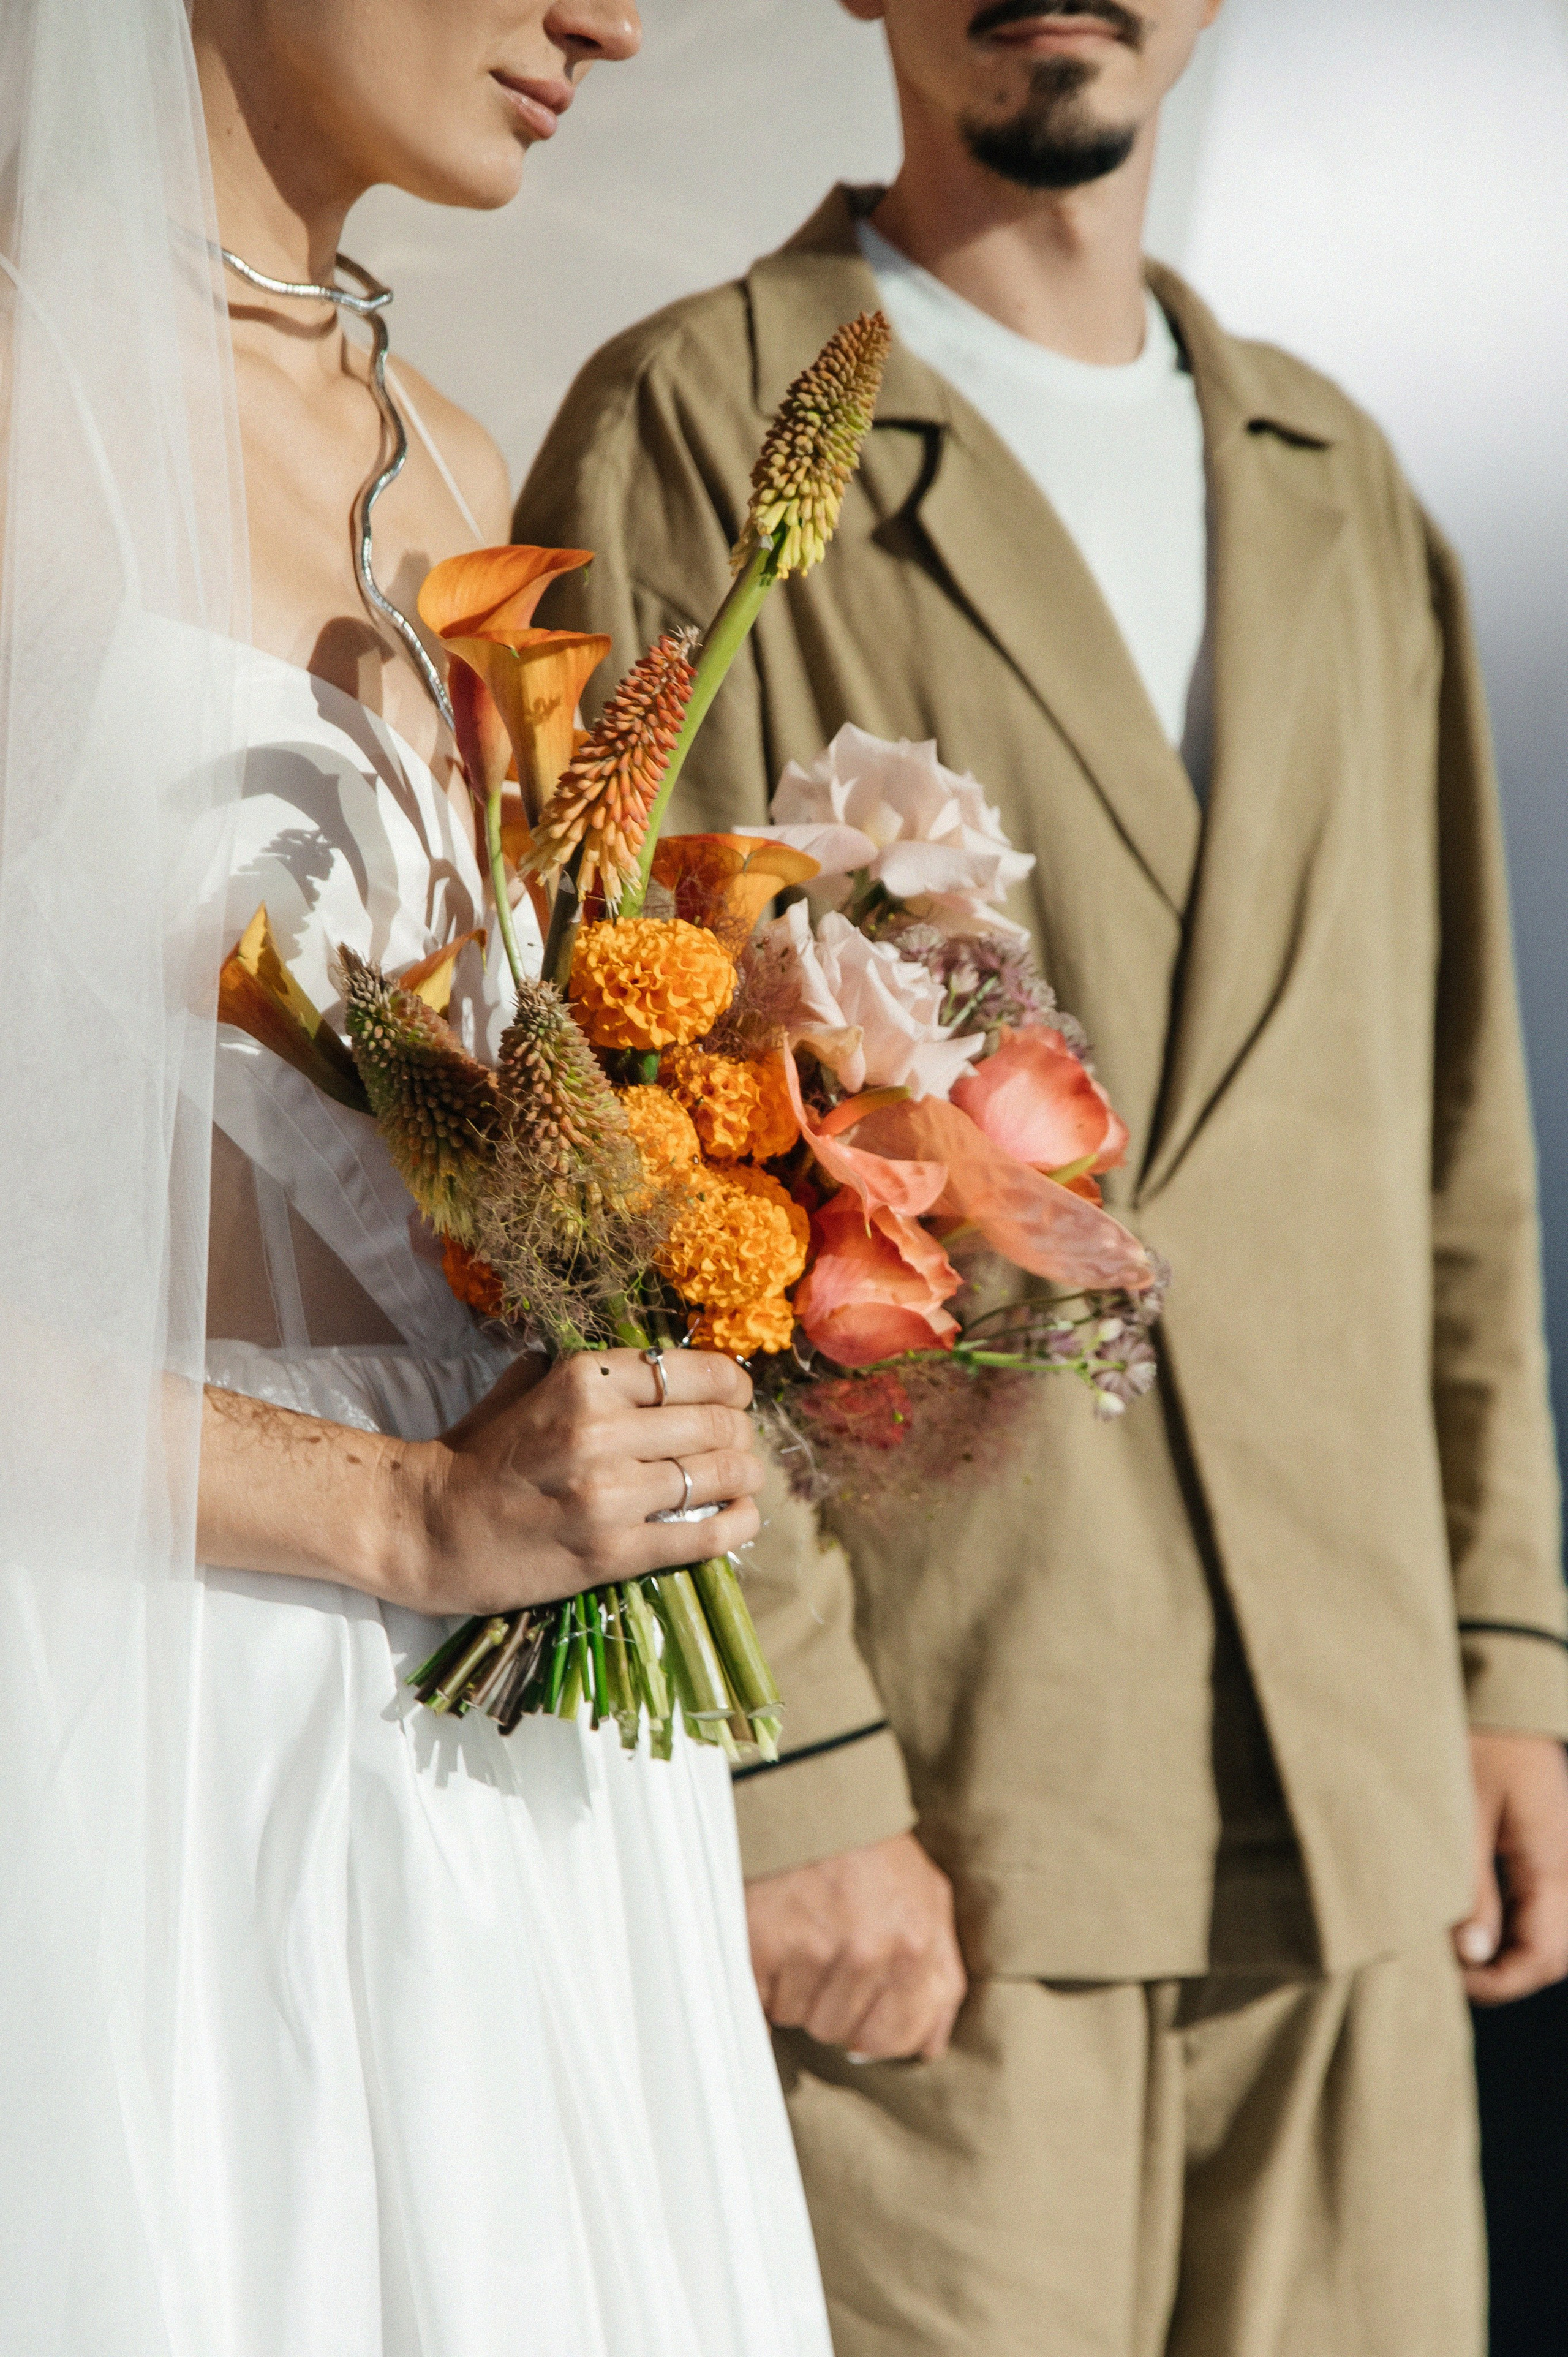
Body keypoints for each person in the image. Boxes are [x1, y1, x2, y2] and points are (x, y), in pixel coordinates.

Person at [513, 1, 1568, 2350]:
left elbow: (1450, 1140)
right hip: (948, 1827)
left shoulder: (1341, 484)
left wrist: (1507, 1654)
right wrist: (784, 1765)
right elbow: (600, 1151)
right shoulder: (692, 424)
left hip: (1354, 1792)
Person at [0, 3, 835, 2351]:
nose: (614, 18)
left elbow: (463, 1147)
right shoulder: (17, 399)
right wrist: (391, 1518)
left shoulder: (445, 452)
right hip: (158, 1709)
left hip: (512, 1773)